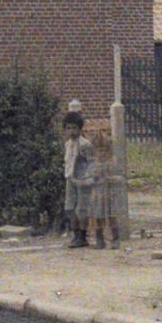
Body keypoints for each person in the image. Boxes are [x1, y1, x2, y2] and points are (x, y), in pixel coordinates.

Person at [62, 102, 100, 248]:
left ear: (80, 128)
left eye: (74, 128)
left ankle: (83, 236)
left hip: (82, 180)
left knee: (81, 208)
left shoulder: (85, 145)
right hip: (70, 178)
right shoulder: (68, 144)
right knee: (70, 207)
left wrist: (88, 179)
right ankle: (75, 234)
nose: (71, 131)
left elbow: (91, 163)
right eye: (68, 128)